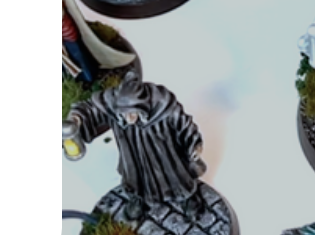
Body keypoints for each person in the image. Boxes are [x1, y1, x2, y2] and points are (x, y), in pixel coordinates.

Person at [63, 78, 207, 221]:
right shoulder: (112, 105)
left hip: (164, 154)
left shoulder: (163, 106)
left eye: (133, 113)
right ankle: (139, 199)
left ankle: (188, 198)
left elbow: (183, 123)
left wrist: (193, 143)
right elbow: (91, 109)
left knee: (176, 176)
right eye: (125, 114)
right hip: (133, 154)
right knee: (135, 177)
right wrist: (77, 118)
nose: (129, 118)